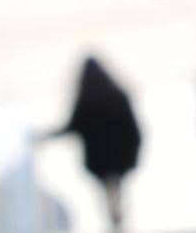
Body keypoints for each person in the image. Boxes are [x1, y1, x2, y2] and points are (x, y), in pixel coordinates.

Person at [51, 57, 141, 232]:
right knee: (115, 192)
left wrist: (45, 136)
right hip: (119, 157)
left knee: (110, 194)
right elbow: (133, 128)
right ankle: (118, 223)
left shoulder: (86, 101)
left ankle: (116, 223)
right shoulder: (118, 96)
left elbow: (72, 126)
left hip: (100, 161)